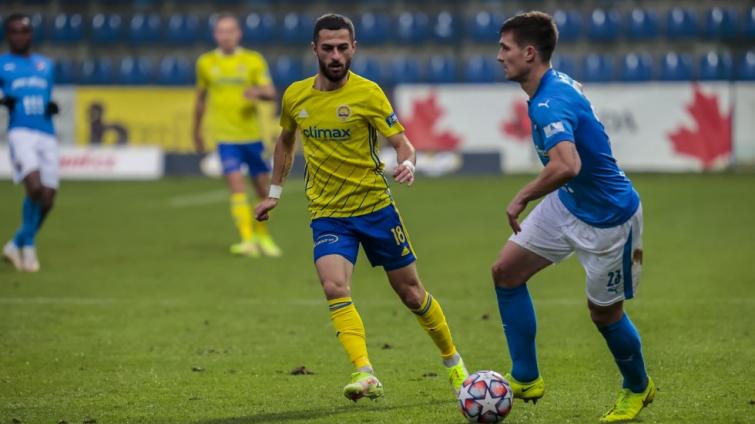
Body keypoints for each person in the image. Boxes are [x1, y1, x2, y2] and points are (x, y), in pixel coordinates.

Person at [254, 14, 468, 402]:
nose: (335, 55)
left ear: (353, 48)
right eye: (327, 48)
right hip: (327, 212)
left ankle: (454, 363)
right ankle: (365, 371)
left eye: (342, 47)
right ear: (314, 49)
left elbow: (403, 143)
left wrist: (408, 163)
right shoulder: (295, 96)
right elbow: (285, 141)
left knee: (412, 294)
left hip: (375, 208)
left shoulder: (369, 93)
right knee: (334, 285)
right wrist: (274, 192)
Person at [491, 11, 654, 423]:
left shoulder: (548, 103)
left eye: (505, 48)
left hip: (610, 220)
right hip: (568, 202)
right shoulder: (553, 85)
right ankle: (526, 377)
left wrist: (521, 198)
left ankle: (638, 388)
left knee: (604, 314)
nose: (499, 57)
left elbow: (568, 164)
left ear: (529, 53)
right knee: (506, 273)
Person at [193, 13, 281, 258]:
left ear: (238, 34)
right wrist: (196, 131)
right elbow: (200, 99)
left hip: (252, 137)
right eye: (221, 31)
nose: (226, 35)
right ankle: (247, 240)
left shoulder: (252, 60)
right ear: (215, 35)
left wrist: (257, 92)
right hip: (225, 138)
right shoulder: (205, 63)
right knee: (237, 188)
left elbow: (271, 93)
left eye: (230, 30)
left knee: (263, 190)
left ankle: (263, 236)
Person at [1, 13, 60, 272]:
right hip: (20, 131)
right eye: (14, 31)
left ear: (30, 34)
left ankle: (15, 243)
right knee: (34, 187)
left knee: (47, 199)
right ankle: (29, 247)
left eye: (23, 31)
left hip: (46, 131)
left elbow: (46, 95)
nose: (19, 36)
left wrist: (51, 106)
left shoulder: (45, 65)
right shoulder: (2, 64)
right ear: (7, 35)